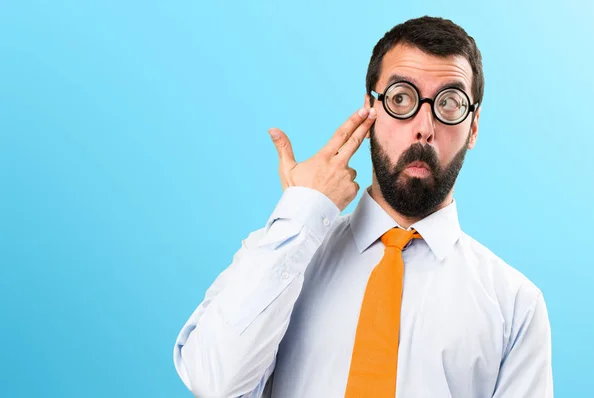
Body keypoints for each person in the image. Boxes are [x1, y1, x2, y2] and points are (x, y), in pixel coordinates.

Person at [172, 16, 553, 398]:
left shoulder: (515, 304)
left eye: (449, 103)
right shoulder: (286, 251)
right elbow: (214, 383)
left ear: (473, 127)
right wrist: (303, 210)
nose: (424, 127)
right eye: (401, 98)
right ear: (370, 110)